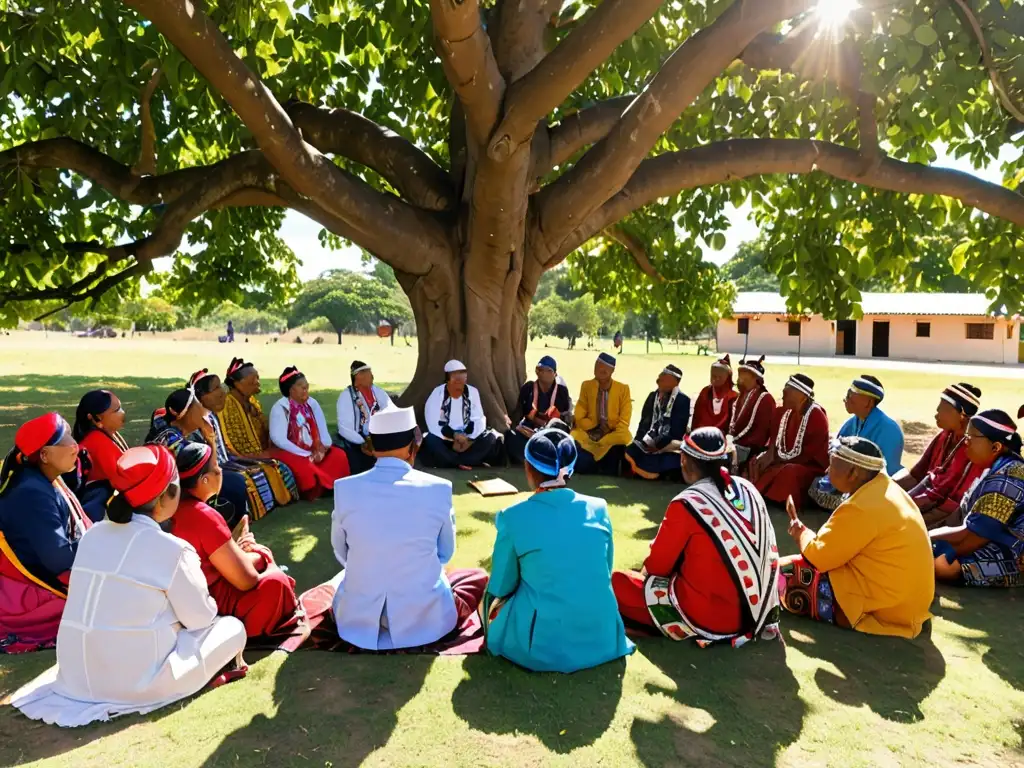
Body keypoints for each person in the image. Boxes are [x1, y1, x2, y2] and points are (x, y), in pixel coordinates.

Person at [11, 446, 247, 726]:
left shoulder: (93, 535)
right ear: (164, 499)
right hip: (138, 687)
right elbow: (201, 619)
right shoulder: (172, 549)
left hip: (75, 678)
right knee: (232, 628)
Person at [330, 405, 488, 650]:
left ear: (372, 447)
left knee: (341, 580)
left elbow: (342, 553)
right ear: (411, 446)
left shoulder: (344, 488)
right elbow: (445, 552)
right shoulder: (439, 488)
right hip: (424, 619)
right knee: (474, 578)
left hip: (359, 619)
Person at [613, 427, 781, 647]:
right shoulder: (748, 488)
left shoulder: (687, 503)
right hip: (760, 613)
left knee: (618, 583)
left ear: (684, 460)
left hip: (712, 618)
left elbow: (656, 567)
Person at [484, 429, 634, 672]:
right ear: (571, 469)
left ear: (528, 468)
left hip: (541, 647)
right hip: (603, 637)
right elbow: (604, 571)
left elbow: (501, 586)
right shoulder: (599, 508)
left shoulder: (513, 517)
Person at [780, 437, 935, 638]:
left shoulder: (860, 506)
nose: (827, 471)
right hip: (908, 607)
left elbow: (817, 558)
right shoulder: (889, 489)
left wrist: (799, 530)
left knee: (781, 572)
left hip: (883, 611)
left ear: (853, 472)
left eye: (832, 465)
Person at [173, 443, 299, 637]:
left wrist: (237, 546)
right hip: (211, 603)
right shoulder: (203, 515)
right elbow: (246, 580)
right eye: (216, 467)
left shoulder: (174, 508)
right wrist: (259, 553)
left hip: (183, 600)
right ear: (205, 480)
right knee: (277, 581)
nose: (221, 471)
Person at [0, 414, 90, 654]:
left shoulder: (44, 479)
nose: (76, 445)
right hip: (31, 587)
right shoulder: (32, 492)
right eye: (66, 440)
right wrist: (99, 543)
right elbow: (58, 560)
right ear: (44, 455)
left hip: (43, 568)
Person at [931, 409, 1024, 588]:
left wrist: (928, 537)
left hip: (1011, 551)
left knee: (943, 566)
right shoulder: (995, 469)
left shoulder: (1006, 478)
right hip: (989, 539)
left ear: (995, 447)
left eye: (970, 438)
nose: (965, 444)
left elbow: (974, 537)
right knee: (936, 552)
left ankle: (1013, 576)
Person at [190, 369, 298, 520]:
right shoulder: (196, 422)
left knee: (274, 466)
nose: (222, 392)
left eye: (220, 386)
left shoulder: (212, 416)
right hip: (212, 469)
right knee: (246, 479)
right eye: (216, 388)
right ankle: (242, 517)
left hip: (226, 460)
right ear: (201, 397)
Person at [147, 388, 248, 527]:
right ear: (184, 415)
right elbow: (215, 472)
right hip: (171, 498)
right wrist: (211, 439)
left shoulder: (169, 431)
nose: (202, 411)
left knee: (235, 481)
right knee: (235, 483)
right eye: (197, 407)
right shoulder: (173, 441)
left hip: (180, 490)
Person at [809, 375, 905, 511]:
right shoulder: (853, 422)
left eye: (851, 395)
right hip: (850, 478)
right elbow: (836, 448)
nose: (846, 399)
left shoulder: (889, 429)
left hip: (872, 484)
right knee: (817, 485)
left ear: (868, 402)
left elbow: (886, 471)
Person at [899, 383, 984, 529]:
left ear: (961, 414)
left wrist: (907, 510)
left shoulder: (974, 448)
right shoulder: (945, 436)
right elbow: (917, 475)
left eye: (942, 409)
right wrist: (886, 489)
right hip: (927, 502)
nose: (936, 413)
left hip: (950, 516)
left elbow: (954, 505)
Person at [749, 374, 829, 512]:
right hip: (783, 460)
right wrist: (769, 454)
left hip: (807, 466)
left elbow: (809, 455)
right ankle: (757, 494)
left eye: (787, 392)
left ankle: (776, 500)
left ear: (801, 396)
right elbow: (775, 439)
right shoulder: (783, 411)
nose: (783, 395)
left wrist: (776, 459)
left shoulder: (817, 416)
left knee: (790, 471)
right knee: (757, 461)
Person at [270, 366, 350, 499]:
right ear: (291, 390)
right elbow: (279, 439)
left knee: (338, 455)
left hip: (315, 450)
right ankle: (317, 489)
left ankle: (334, 485)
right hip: (290, 451)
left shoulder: (312, 403)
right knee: (305, 465)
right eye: (301, 386)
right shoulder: (280, 408)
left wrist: (322, 449)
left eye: (306, 386)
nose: (306, 389)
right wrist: (305, 454)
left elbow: (323, 432)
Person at [421, 360, 504, 470]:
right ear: (448, 378)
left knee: (491, 437)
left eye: (462, 374)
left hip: (469, 440)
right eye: (455, 376)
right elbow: (432, 422)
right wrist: (454, 436)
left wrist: (468, 437)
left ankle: (455, 462)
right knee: (430, 439)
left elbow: (479, 418)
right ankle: (464, 462)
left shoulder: (473, 392)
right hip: (446, 439)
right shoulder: (438, 393)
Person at [624, 365, 690, 481]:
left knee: (672, 457)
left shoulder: (682, 400)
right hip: (648, 441)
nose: (658, 379)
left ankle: (656, 472)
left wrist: (657, 445)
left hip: (668, 444)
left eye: (664, 378)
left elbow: (677, 430)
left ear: (675, 382)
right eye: (660, 376)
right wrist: (643, 441)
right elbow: (644, 423)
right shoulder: (652, 396)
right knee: (630, 450)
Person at [571, 353, 632, 475]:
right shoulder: (587, 386)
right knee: (574, 435)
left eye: (605, 368)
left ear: (612, 370)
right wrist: (593, 426)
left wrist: (606, 435)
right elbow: (579, 415)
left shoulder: (623, 389)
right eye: (598, 366)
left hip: (612, 433)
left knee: (624, 436)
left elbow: (625, 420)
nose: (600, 369)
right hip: (590, 432)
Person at [72, 390, 128, 522]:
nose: (123, 413)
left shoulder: (105, 434)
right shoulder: (97, 442)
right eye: (117, 410)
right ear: (98, 419)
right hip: (99, 512)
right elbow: (121, 480)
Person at [505, 356, 573, 465]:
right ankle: (531, 459)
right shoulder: (528, 388)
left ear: (554, 374)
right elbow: (519, 413)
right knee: (511, 437)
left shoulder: (561, 391)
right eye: (539, 370)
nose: (542, 373)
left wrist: (554, 420)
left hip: (551, 433)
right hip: (529, 431)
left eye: (547, 370)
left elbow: (566, 419)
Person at [336, 360, 393, 475]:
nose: (372, 376)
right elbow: (345, 429)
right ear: (358, 376)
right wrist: (364, 442)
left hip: (379, 436)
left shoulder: (378, 392)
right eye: (368, 373)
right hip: (359, 441)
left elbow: (391, 411)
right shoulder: (346, 397)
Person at [728, 356, 775, 471]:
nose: (739, 381)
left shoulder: (765, 399)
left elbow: (761, 434)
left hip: (752, 447)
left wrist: (734, 442)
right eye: (739, 376)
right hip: (735, 441)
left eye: (744, 377)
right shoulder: (740, 397)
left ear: (755, 379)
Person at [691, 355, 738, 433]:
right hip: (701, 432)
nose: (716, 379)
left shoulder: (733, 396)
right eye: (713, 376)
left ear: (727, 378)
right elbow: (697, 417)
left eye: (720, 377)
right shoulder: (705, 392)